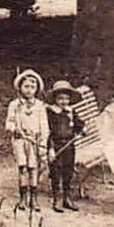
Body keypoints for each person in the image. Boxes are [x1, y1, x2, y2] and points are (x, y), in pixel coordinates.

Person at [4, 69, 49, 213]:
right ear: (20, 88)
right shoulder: (15, 105)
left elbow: (44, 126)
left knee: (33, 168)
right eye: (26, 87)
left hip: (34, 140)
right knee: (22, 167)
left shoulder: (40, 106)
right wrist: (13, 129)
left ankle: (33, 198)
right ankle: (23, 197)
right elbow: (9, 123)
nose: (29, 90)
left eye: (32, 87)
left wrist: (43, 142)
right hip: (20, 140)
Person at [45, 80, 84, 213]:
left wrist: (82, 130)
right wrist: (49, 148)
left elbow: (79, 125)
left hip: (69, 144)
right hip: (55, 145)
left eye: (67, 98)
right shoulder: (50, 113)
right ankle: (57, 198)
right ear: (55, 99)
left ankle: (67, 197)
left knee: (68, 170)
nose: (64, 101)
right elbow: (47, 132)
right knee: (56, 171)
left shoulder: (71, 112)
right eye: (60, 98)